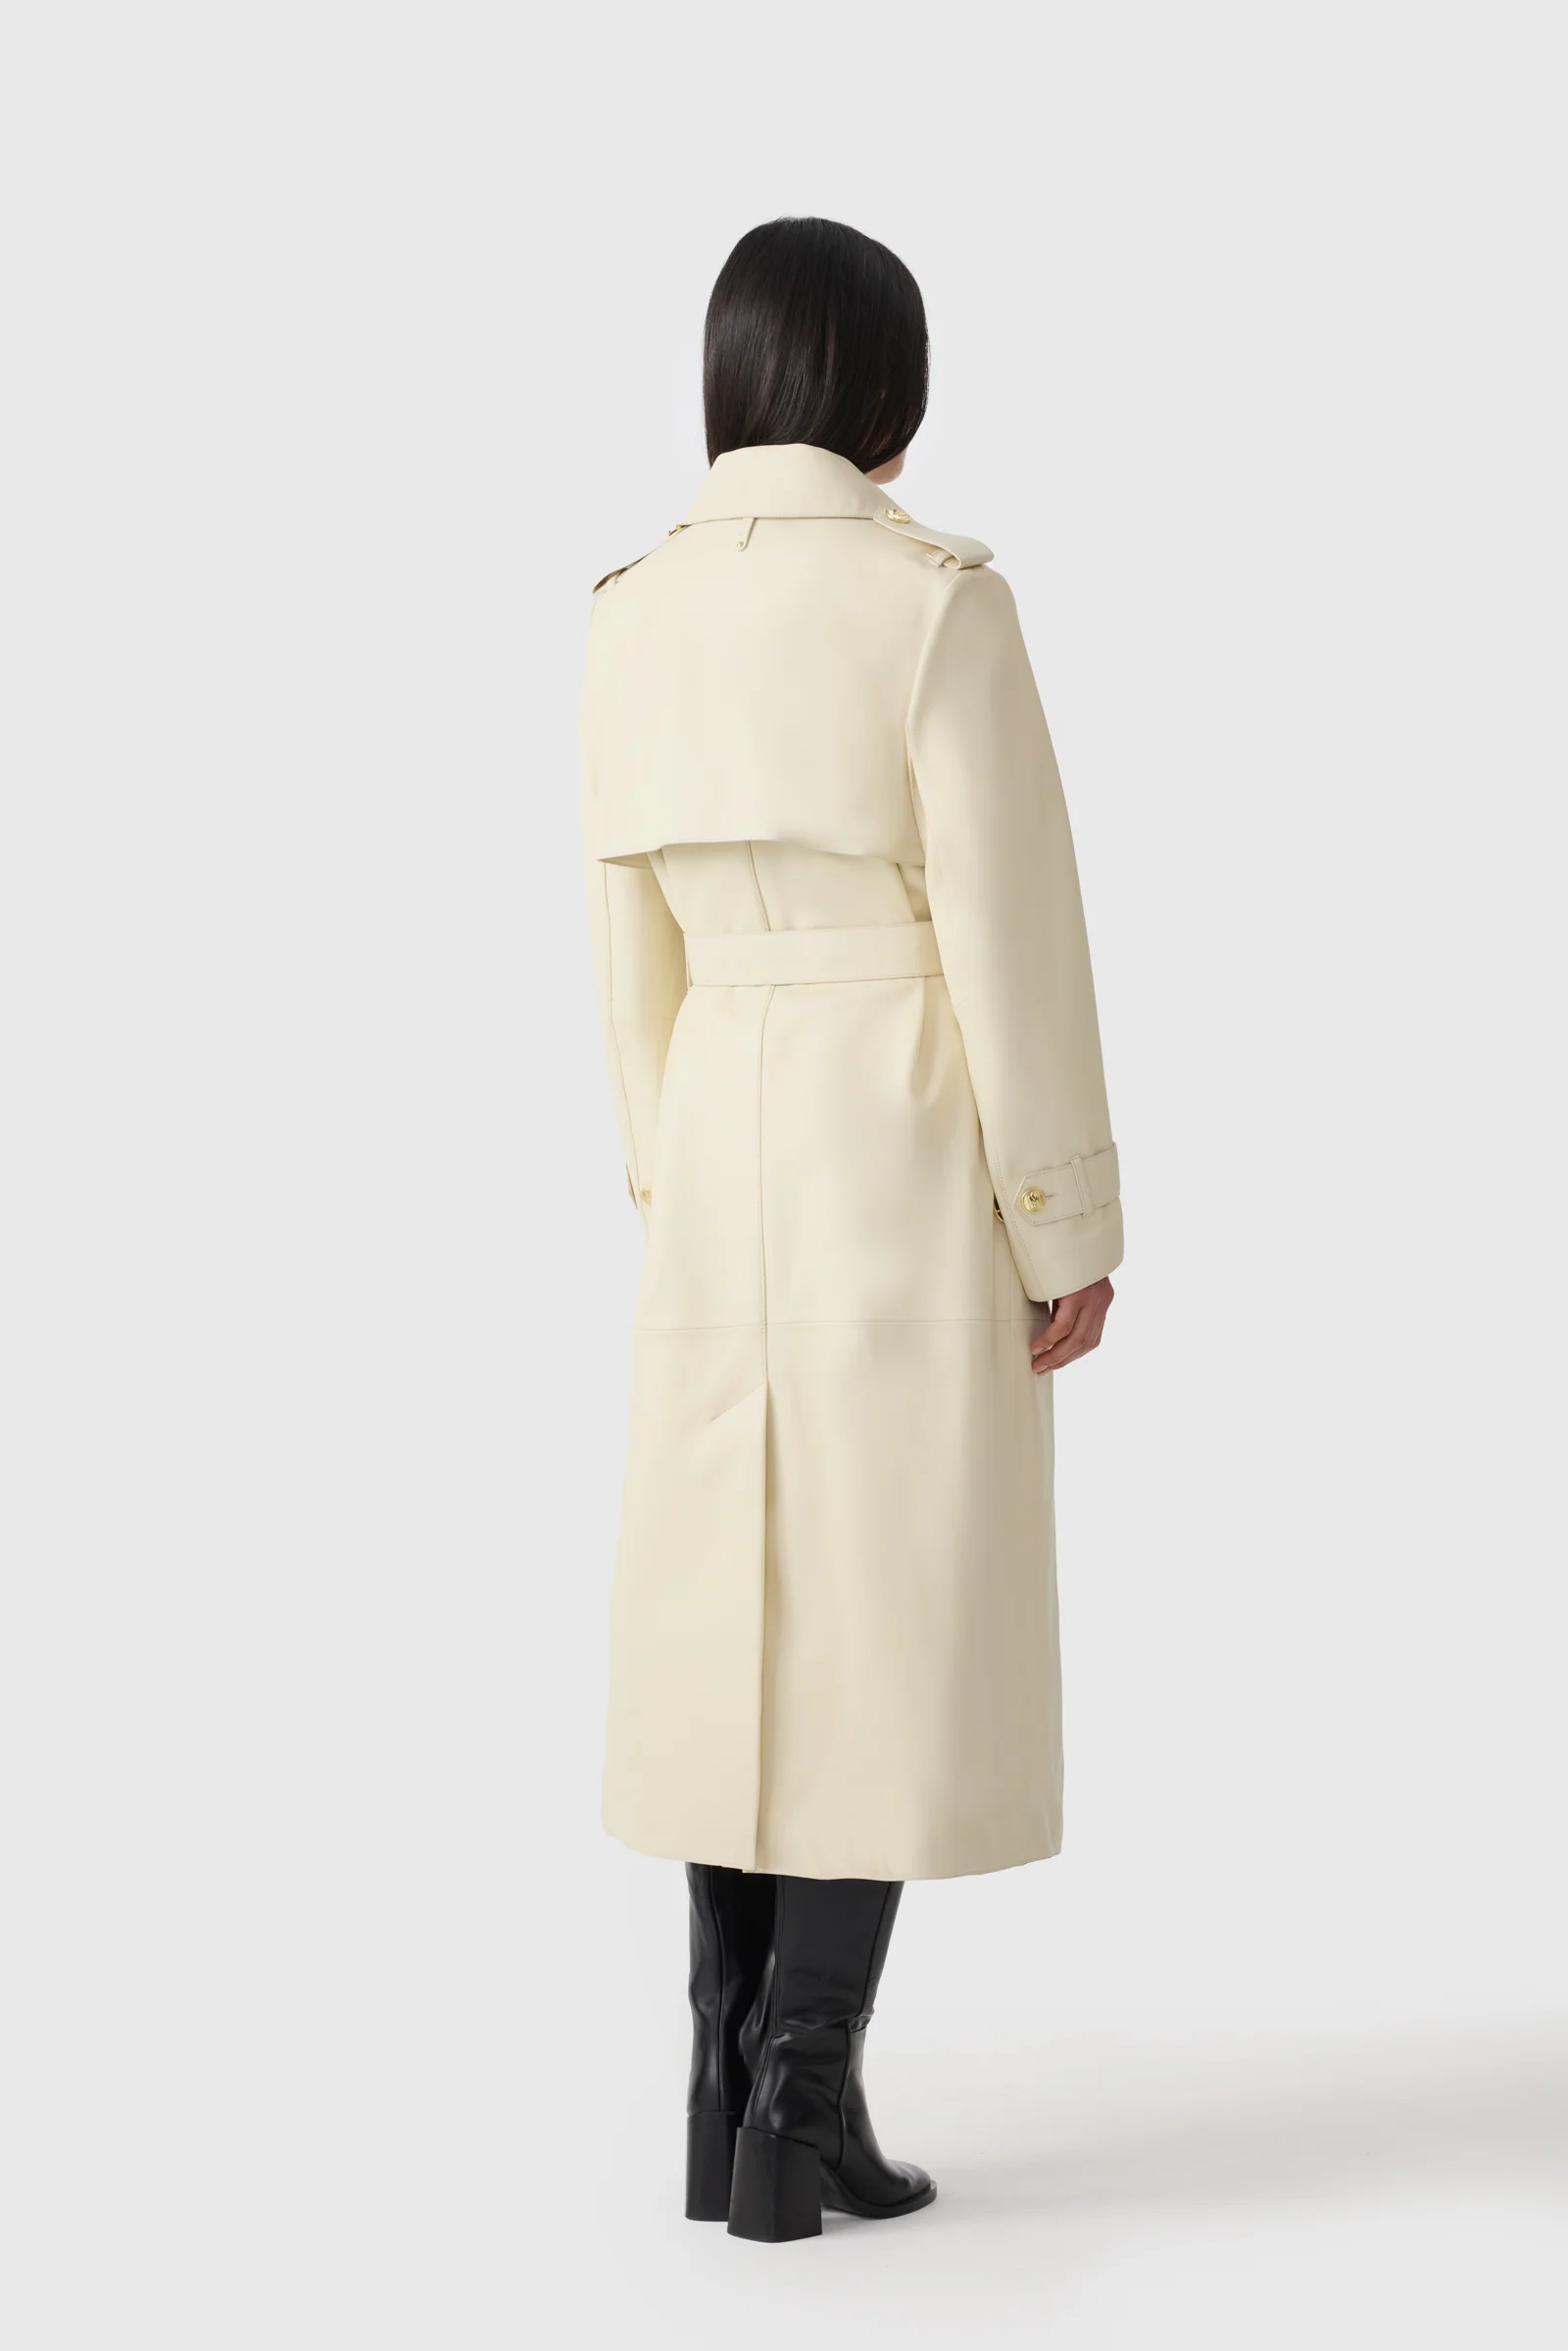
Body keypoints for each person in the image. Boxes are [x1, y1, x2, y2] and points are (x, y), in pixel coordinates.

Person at [580, 217, 1122, 2243]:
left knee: (730, 1619)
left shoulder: (629, 609)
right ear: (886, 388)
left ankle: (726, 2091)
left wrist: (667, 1167)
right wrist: (1060, 1214)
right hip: (896, 1120)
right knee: (883, 1612)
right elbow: (1013, 928)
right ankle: (804, 2103)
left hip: (718, 1120)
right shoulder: (931, 602)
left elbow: (622, 945)